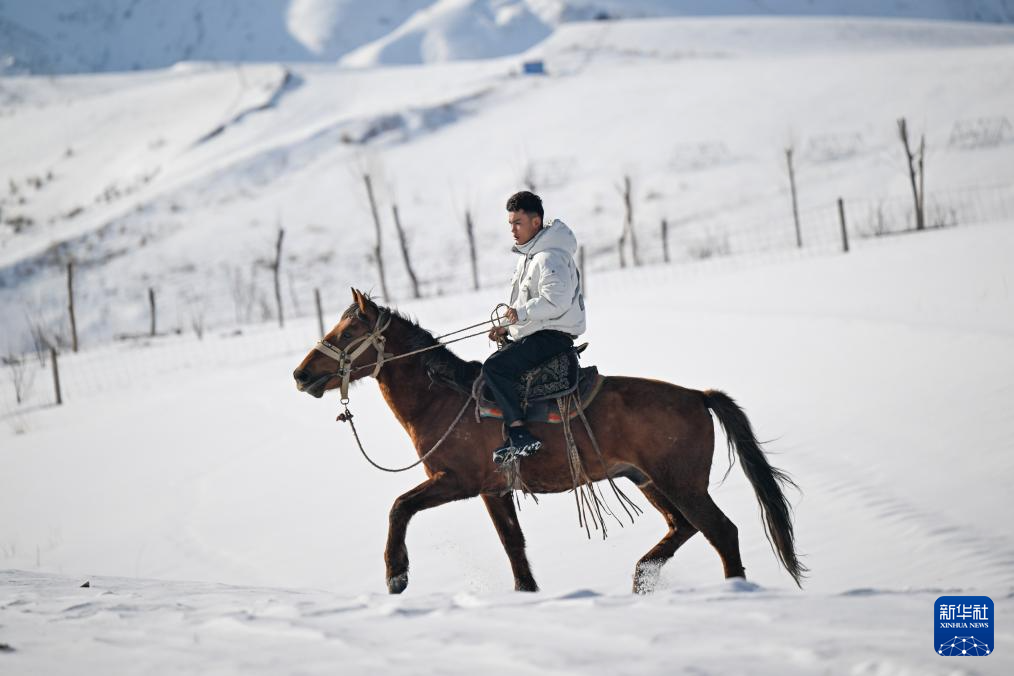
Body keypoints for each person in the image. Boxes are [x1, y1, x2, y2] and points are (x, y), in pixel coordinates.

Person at [482, 190, 586, 465]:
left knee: (494, 368)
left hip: (552, 337)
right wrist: (507, 327)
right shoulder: (530, 257)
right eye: (510, 224)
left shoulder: (548, 256)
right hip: (540, 332)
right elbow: (530, 308)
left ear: (536, 222)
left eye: (518, 222)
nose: (513, 230)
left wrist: (518, 314)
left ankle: (520, 434)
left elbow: (556, 302)